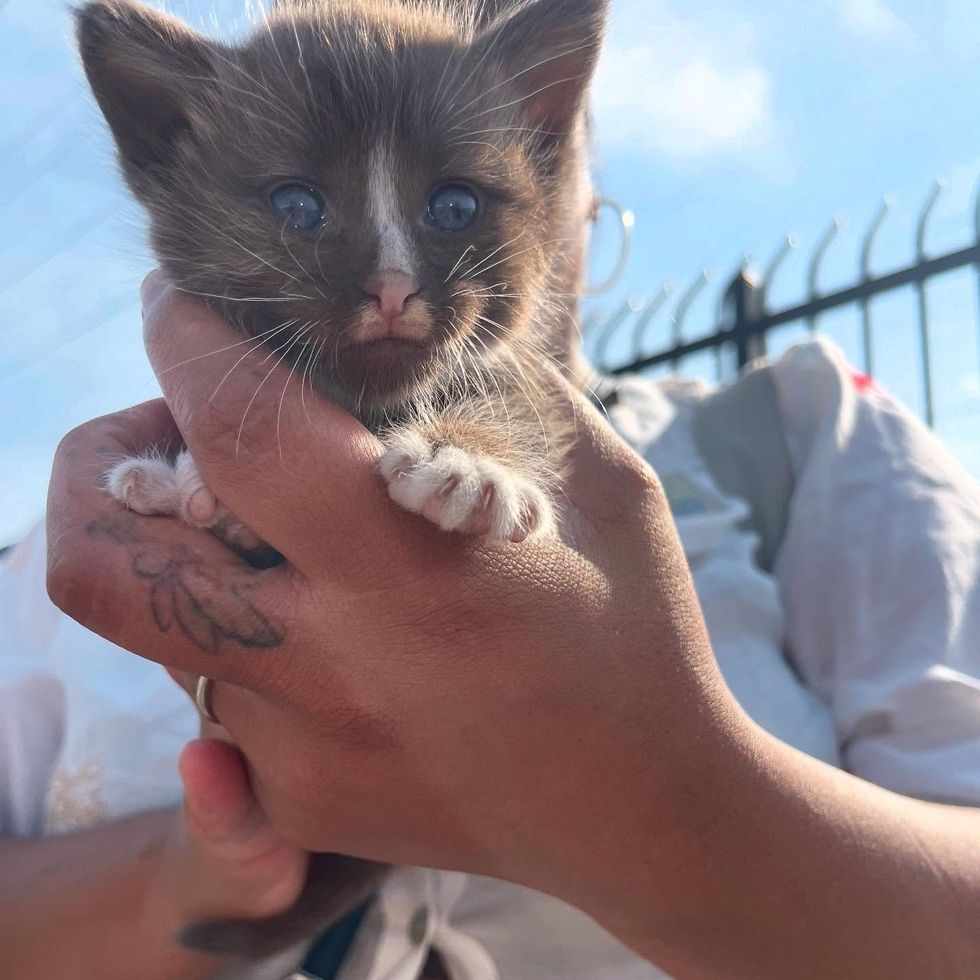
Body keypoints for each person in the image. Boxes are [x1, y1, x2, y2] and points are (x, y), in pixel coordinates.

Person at [4, 181, 980, 979]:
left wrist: (640, 796)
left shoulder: (795, 437)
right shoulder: (103, 522)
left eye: (454, 199)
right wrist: (200, 869)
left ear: (577, 196)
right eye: (307, 203)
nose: (390, 271)